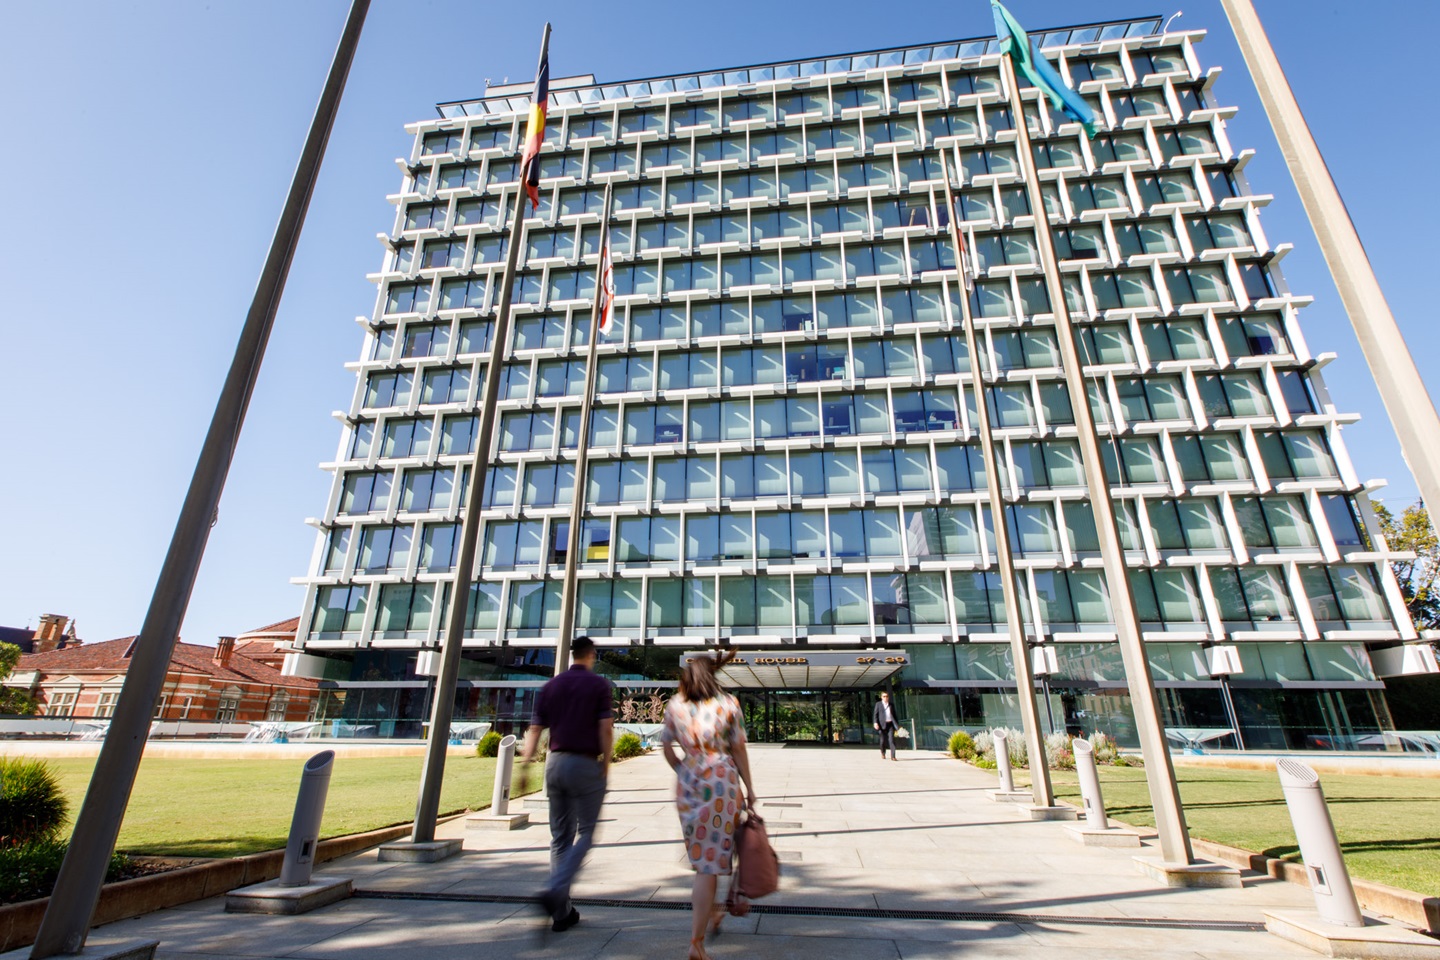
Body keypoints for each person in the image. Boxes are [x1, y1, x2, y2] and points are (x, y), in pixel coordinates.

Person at [661, 651, 756, 960]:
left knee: (707, 858)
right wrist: (750, 788)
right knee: (709, 864)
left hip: (688, 786)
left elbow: (666, 746)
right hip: (721, 784)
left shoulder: (676, 705)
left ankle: (712, 912)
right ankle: (696, 942)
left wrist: (683, 768)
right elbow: (739, 750)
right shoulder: (728, 704)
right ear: (713, 675)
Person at [520, 635, 613, 933]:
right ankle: (556, 889)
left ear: (573, 655)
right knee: (586, 832)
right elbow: (606, 728)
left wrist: (524, 765)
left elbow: (535, 728)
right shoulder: (599, 685)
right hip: (584, 763)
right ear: (592, 655)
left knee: (559, 838)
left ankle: (562, 914)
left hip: (554, 763)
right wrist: (606, 764)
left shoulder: (551, 686)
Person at [873, 690, 899, 761]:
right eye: (884, 696)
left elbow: (894, 715)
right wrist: (875, 723)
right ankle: (883, 752)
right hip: (881, 726)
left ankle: (893, 756)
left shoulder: (891, 705)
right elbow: (875, 714)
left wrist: (897, 725)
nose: (886, 698)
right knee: (883, 741)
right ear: (881, 697)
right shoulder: (878, 704)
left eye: (887, 696)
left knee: (891, 740)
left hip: (890, 725)